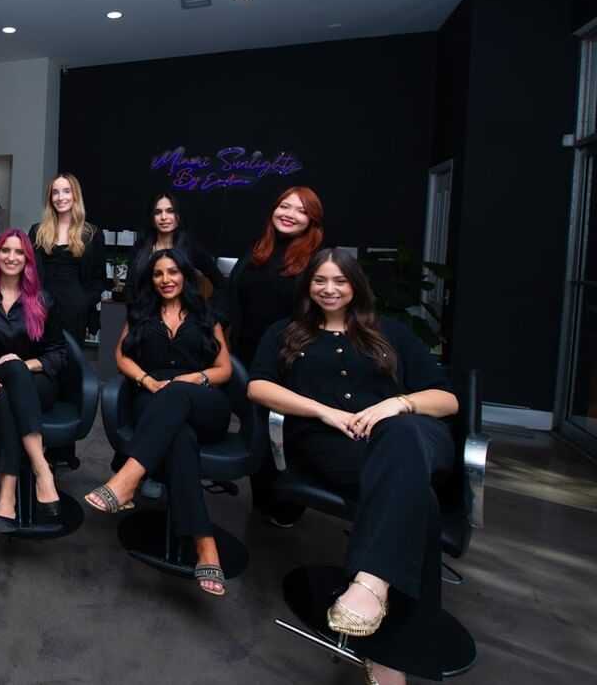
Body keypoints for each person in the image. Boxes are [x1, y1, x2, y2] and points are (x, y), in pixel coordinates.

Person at [247, 248, 458, 685]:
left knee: (400, 437)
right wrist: (324, 412)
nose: (329, 289)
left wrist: (396, 404)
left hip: (412, 437)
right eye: (320, 281)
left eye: (339, 281)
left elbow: (447, 400)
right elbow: (258, 386)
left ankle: (370, 582)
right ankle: (392, 654)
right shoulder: (287, 334)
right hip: (334, 444)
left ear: (355, 285)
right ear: (308, 287)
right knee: (421, 503)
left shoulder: (391, 334)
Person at [84, 247, 235, 597]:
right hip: (153, 400)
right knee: (179, 438)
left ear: (185, 276)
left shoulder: (204, 315)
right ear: (151, 280)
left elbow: (225, 370)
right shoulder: (140, 314)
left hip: (203, 400)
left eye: (173, 272)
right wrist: (147, 381)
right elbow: (120, 356)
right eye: (158, 274)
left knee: (177, 395)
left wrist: (190, 380)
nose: (166, 280)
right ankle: (205, 544)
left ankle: (127, 478)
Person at [228, 185, 325, 527]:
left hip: (289, 359)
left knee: (283, 431)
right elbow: (233, 297)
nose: (289, 214)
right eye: (284, 206)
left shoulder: (315, 261)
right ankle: (262, 498)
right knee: (255, 428)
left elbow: (318, 315)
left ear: (311, 220)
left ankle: (288, 502)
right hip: (246, 354)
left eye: (300, 210)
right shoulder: (259, 249)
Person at [0, 229, 68, 531]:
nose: (11, 257)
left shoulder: (43, 300)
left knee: (14, 377)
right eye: (5, 251)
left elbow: (58, 353)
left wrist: (22, 365)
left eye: (19, 252)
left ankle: (7, 495)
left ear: (28, 260)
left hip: (39, 383)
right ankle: (42, 469)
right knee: (6, 393)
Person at [28, 173, 105, 470]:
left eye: (66, 192)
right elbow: (30, 274)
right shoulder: (38, 230)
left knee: (70, 375)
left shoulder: (90, 233)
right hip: (42, 311)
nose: (61, 197)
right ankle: (40, 440)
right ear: (50, 198)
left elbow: (99, 279)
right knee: (44, 371)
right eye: (55, 192)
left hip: (74, 312)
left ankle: (64, 449)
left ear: (75, 195)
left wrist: (83, 303)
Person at [128, 192, 225, 302]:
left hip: (180, 316)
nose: (164, 217)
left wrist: (209, 314)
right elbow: (130, 287)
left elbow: (220, 283)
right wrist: (134, 314)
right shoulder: (140, 248)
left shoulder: (190, 248)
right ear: (152, 218)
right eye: (158, 212)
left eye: (170, 211)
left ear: (178, 216)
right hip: (145, 316)